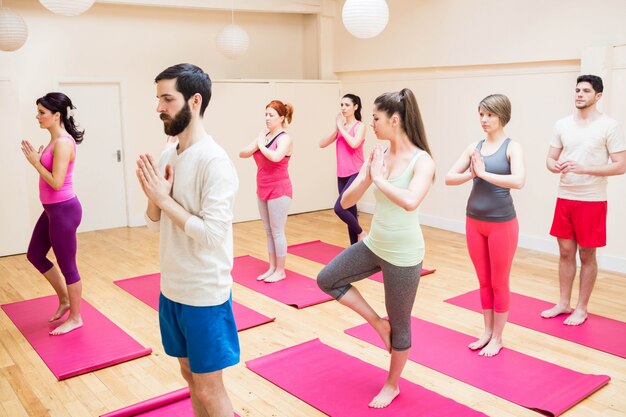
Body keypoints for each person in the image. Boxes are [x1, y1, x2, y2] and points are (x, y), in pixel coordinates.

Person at [317, 88, 435, 409]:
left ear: (394, 120)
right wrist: (369, 175)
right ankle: (376, 323)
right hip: (374, 245)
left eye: (376, 118)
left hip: (403, 256)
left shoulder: (422, 161)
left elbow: (411, 201)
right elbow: (346, 201)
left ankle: (392, 384)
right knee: (328, 278)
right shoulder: (378, 155)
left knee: (401, 327)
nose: (371, 123)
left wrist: (380, 180)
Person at [136, 63, 240, 417]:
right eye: (158, 99)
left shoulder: (215, 162)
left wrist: (164, 200)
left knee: (211, 390)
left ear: (194, 101)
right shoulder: (168, 154)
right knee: (188, 377)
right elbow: (154, 226)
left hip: (204, 295)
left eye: (167, 98)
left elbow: (212, 235)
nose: (159, 108)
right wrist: (153, 195)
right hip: (172, 290)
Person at [541, 74, 626, 325]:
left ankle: (582, 307)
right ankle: (563, 303)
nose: (579, 94)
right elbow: (549, 158)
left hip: (592, 200)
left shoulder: (610, 126)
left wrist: (585, 168)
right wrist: (555, 166)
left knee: (587, 254)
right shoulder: (562, 125)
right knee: (565, 252)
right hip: (565, 197)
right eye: (577, 90)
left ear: (598, 96)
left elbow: (621, 166)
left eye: (586, 91)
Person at [445, 94, 525, 357]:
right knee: (483, 281)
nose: (484, 119)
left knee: (499, 282)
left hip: (502, 224)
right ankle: (487, 331)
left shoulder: (513, 147)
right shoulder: (474, 147)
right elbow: (449, 177)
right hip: (474, 221)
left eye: (489, 114)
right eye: (481, 114)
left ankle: (498, 337)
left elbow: (519, 181)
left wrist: (483, 174)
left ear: (502, 116)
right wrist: (471, 173)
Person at [21, 92, 85, 336]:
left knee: (68, 266)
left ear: (56, 115)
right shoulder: (53, 140)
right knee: (35, 255)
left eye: (41, 112)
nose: (37, 116)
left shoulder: (63, 143)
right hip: (52, 210)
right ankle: (65, 300)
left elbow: (57, 183)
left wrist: (35, 163)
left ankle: (76, 317)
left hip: (63, 211)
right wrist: (39, 160)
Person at [239, 100, 294, 283]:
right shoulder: (265, 136)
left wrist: (261, 144)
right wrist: (259, 141)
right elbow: (243, 153)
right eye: (266, 114)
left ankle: (281, 270)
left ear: (282, 118)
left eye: (271, 115)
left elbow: (276, 157)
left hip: (280, 189)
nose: (267, 118)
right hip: (262, 187)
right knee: (268, 231)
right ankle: (272, 267)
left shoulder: (285, 138)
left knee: (277, 231)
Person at [320, 94, 367, 244]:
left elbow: (354, 143)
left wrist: (341, 127)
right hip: (341, 175)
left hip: (356, 173)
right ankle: (355, 249)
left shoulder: (360, 126)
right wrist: (337, 129)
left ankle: (362, 232)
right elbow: (322, 144)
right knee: (350, 210)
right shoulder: (341, 128)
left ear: (355, 107)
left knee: (339, 208)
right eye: (342, 105)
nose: (343, 108)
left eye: (347, 105)